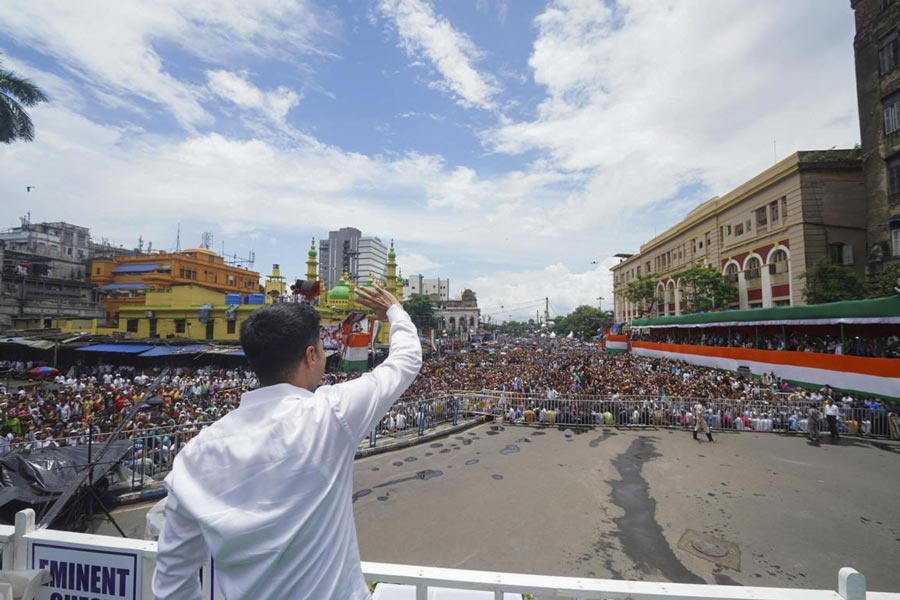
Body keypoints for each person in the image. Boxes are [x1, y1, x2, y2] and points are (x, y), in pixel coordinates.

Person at [152, 285, 422, 599]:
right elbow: (405, 361)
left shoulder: (194, 456)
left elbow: (172, 583)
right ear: (310, 356)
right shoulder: (330, 416)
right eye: (322, 347)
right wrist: (394, 310)